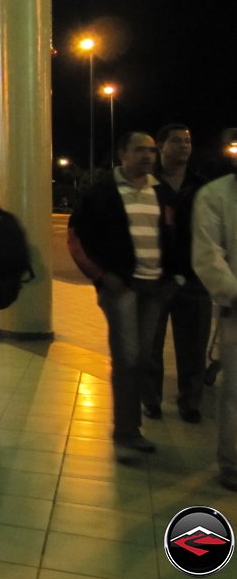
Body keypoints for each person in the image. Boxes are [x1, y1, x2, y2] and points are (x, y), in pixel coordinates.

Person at [68, 131, 173, 455]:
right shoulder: (102, 192)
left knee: (141, 358)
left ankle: (131, 427)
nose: (148, 156)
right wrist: (101, 277)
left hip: (155, 287)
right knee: (127, 358)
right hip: (121, 287)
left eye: (151, 151)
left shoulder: (162, 192)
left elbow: (175, 237)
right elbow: (76, 238)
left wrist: (173, 278)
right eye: (140, 150)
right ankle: (126, 433)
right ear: (122, 154)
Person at [147, 123, 211, 423]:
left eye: (187, 140)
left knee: (194, 346)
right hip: (154, 278)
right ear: (161, 146)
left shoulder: (201, 186)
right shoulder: (146, 184)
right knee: (150, 344)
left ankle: (190, 401)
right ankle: (151, 398)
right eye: (176, 141)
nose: (184, 145)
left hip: (195, 279)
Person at [191, 127, 237, 492]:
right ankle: (232, 463)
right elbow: (208, 255)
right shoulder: (216, 196)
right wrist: (231, 294)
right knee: (234, 392)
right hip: (236, 310)